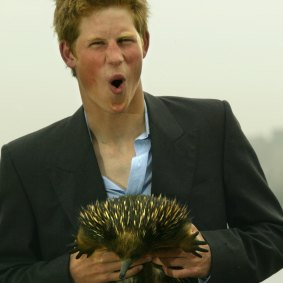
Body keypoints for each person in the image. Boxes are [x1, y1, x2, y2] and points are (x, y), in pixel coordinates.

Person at [0, 0, 283, 282]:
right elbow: (7, 270)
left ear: (144, 43)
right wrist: (69, 274)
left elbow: (273, 234)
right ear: (68, 53)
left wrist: (212, 256)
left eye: (124, 40)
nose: (114, 56)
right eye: (97, 44)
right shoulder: (25, 162)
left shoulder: (212, 126)